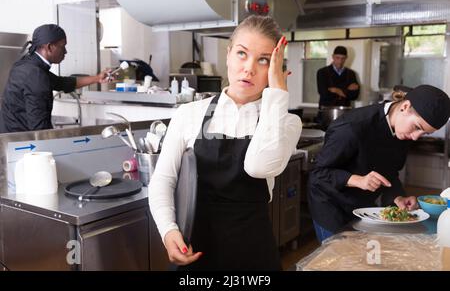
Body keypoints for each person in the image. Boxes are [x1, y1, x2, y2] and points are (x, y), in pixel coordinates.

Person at [148, 15, 302, 270]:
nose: (249, 68)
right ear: (228, 54)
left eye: (263, 60)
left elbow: (259, 167)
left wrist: (278, 94)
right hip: (195, 250)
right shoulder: (189, 114)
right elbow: (163, 180)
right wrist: (168, 231)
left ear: (276, 68)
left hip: (253, 254)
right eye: (242, 54)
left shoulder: (285, 122)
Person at [308, 84, 450, 243]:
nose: (416, 137)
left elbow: (390, 172)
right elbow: (318, 174)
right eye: (417, 127)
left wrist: (397, 197)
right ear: (405, 106)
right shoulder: (352, 127)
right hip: (331, 204)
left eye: (424, 133)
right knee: (336, 260)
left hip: (363, 207)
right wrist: (358, 180)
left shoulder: (404, 131)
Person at [0, 24, 110, 133]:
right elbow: (39, 126)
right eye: (62, 46)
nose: (65, 51)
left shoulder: (26, 65)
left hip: (9, 136)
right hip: (22, 142)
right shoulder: (36, 75)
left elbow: (62, 83)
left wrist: (98, 78)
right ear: (49, 47)